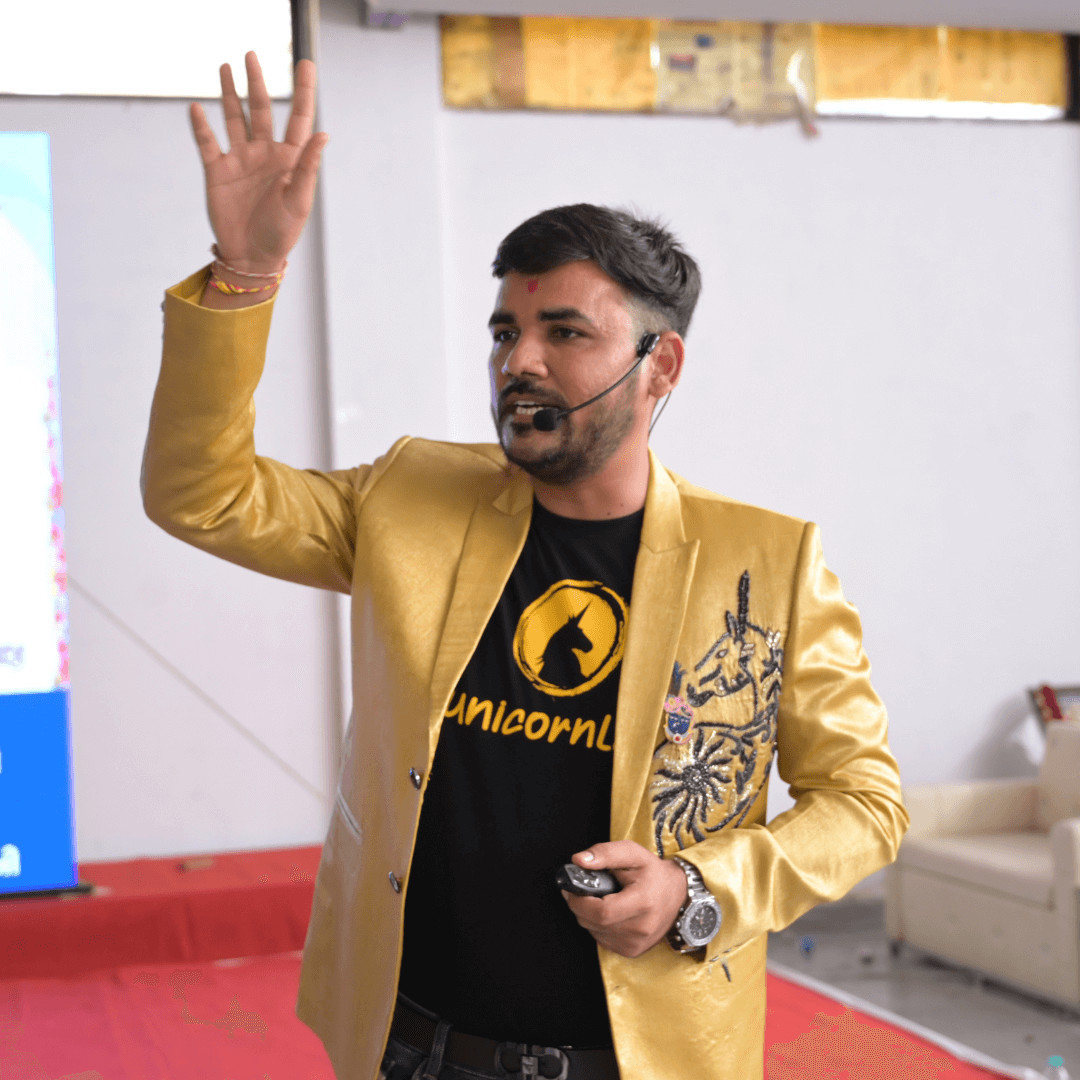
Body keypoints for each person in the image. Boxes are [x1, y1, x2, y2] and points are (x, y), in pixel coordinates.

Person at [142, 52, 907, 1080]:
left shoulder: (766, 563)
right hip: (412, 1048)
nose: (519, 361)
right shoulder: (408, 499)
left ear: (660, 365)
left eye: (564, 332)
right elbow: (202, 495)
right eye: (506, 330)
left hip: (639, 1059)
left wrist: (698, 887)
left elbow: (863, 802)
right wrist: (245, 277)